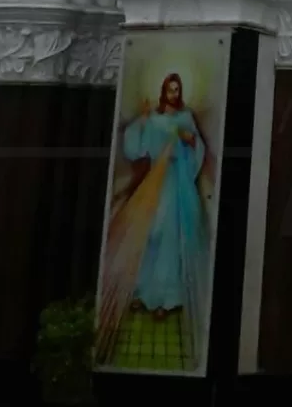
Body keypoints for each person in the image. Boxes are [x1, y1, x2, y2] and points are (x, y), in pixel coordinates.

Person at [95, 71, 212, 366]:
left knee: (170, 235)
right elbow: (137, 147)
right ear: (163, 90)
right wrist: (145, 119)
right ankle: (144, 292)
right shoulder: (156, 115)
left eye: (177, 89)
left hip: (175, 181)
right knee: (149, 233)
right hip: (154, 182)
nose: (173, 94)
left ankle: (165, 298)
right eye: (169, 89)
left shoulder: (185, 117)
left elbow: (198, 146)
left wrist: (189, 141)